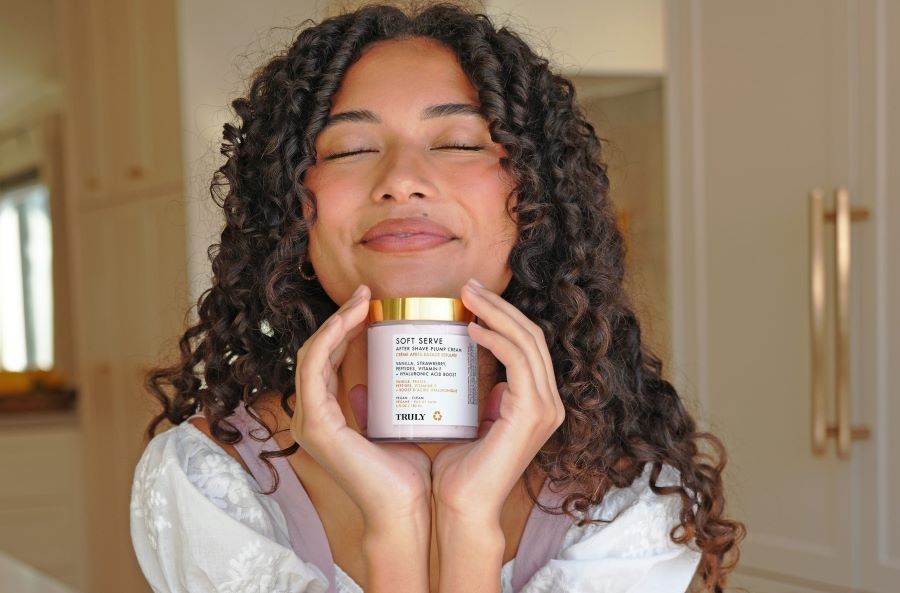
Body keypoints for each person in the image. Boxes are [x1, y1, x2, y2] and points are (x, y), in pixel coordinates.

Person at [130, 3, 745, 592]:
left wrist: (465, 519)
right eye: (349, 149)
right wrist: (395, 523)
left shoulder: (628, 490)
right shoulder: (209, 479)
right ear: (288, 207)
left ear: (537, 200)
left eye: (457, 143)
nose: (401, 180)